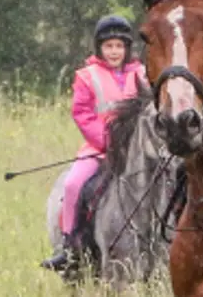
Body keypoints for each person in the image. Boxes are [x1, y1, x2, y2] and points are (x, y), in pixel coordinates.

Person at [41, 16, 148, 273]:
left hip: (140, 149)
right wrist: (109, 142)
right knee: (73, 184)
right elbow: (82, 114)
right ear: (100, 47)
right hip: (100, 149)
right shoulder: (87, 76)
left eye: (119, 46)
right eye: (109, 46)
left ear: (127, 48)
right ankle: (69, 245)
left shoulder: (143, 74)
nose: (114, 52)